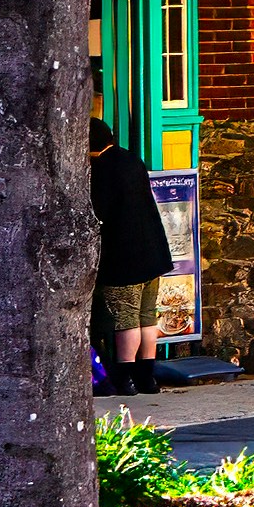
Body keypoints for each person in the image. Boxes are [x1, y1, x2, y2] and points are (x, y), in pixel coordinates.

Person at [91, 130, 177, 394]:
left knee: (125, 320)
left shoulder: (103, 169)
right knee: (146, 318)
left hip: (124, 258)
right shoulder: (132, 160)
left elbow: (98, 212)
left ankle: (124, 378)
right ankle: (146, 377)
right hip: (152, 253)